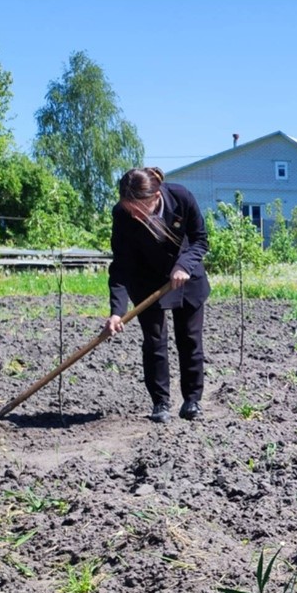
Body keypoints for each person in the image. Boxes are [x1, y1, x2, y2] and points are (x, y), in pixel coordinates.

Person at [104, 167, 210, 423]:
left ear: (156, 196)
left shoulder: (181, 197)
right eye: (129, 209)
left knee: (189, 340)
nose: (135, 215)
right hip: (147, 281)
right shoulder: (122, 215)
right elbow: (121, 265)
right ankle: (160, 403)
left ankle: (192, 401)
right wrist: (117, 312)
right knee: (154, 343)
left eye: (139, 209)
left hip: (187, 276)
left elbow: (200, 240)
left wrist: (184, 266)